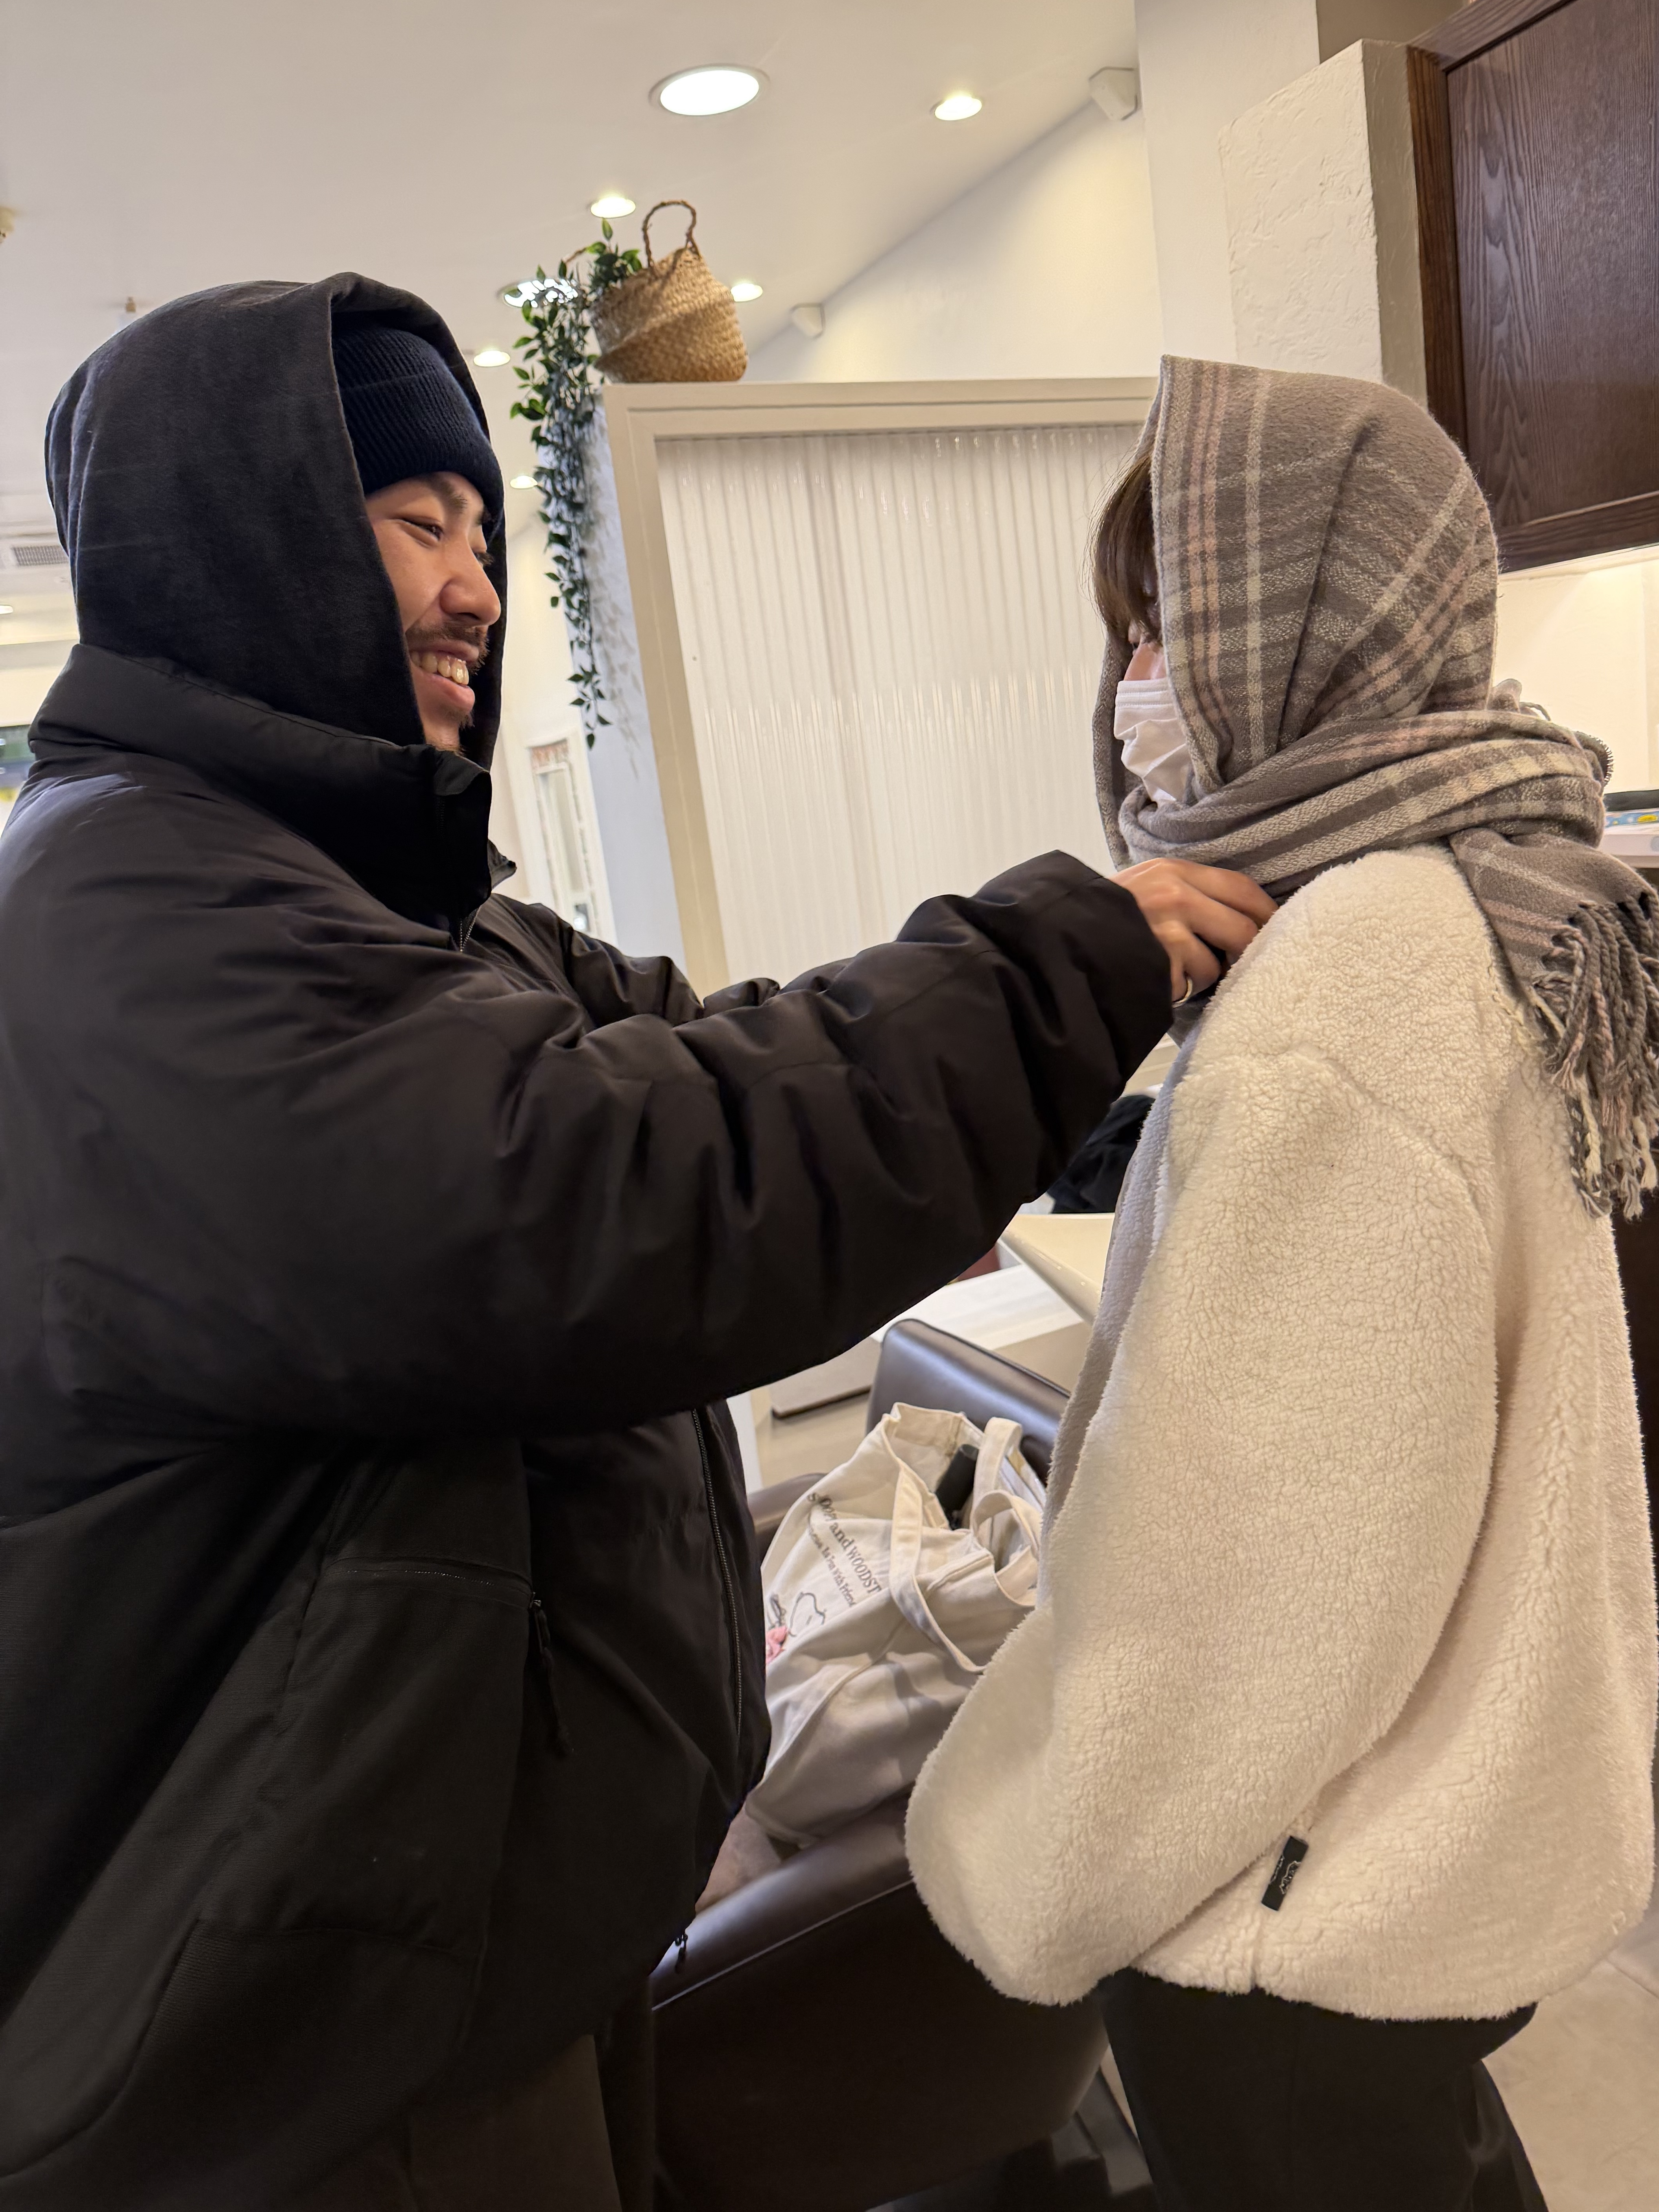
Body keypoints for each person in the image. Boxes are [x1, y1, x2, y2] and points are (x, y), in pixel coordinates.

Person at [0, 279, 1273, 2212]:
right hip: (297, 2034)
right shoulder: (128, 918)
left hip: (457, 1931)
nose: (475, 588)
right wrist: (1056, 968)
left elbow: (710, 1045)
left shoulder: (376, 898)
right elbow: (607, 1191)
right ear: (246, 545)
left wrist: (1065, 1099)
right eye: (415, 521)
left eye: (483, 529)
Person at [907, 356, 1659, 2211]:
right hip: (1423, 1849)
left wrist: (1037, 1853)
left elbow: (1247, 1582)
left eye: (1163, 624)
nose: (1133, 684)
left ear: (1299, 623)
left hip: (1288, 1912)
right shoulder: (1481, 885)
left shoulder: (1343, 978)